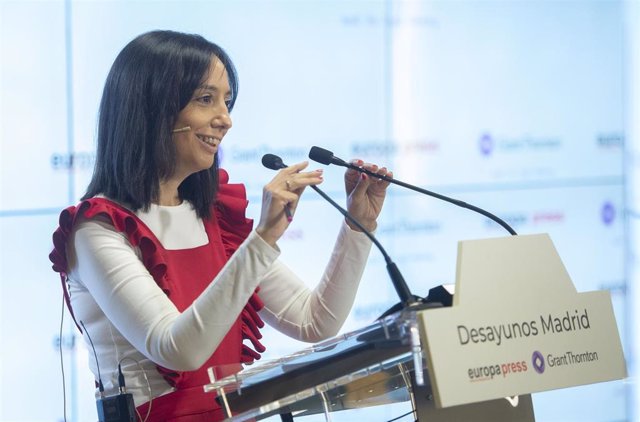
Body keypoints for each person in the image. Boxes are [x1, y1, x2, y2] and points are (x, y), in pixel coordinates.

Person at [49, 30, 392, 422]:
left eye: (227, 102)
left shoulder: (215, 217)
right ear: (152, 109)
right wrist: (262, 238)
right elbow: (177, 349)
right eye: (206, 99)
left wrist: (358, 225)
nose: (225, 120)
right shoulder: (97, 228)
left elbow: (314, 321)